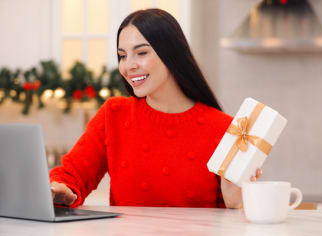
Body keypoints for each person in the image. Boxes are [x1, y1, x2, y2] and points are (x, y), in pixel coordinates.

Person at [50, 8, 261, 209]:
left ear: (171, 54)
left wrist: (236, 204)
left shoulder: (226, 128)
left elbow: (229, 218)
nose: (128, 65)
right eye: (122, 55)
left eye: (141, 53)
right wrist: (58, 189)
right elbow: (71, 175)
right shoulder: (113, 114)